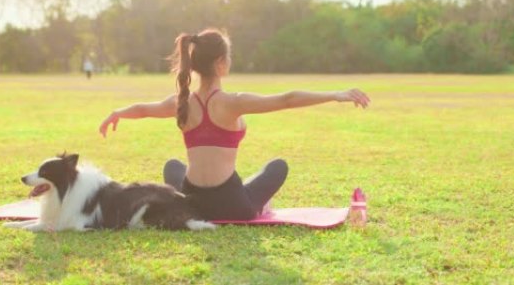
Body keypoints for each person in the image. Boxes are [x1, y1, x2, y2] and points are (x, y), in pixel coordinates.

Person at [98, 28, 370, 220]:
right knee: (278, 166)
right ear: (220, 63)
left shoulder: (181, 101)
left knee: (172, 166)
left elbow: (144, 109)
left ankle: (234, 199)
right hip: (232, 205)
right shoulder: (233, 102)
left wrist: (117, 112)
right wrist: (335, 95)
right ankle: (258, 205)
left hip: (192, 204)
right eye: (228, 57)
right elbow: (286, 99)